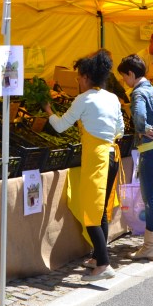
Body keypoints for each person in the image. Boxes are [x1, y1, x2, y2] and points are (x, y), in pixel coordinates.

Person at [45, 50, 123, 281]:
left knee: (90, 211)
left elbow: (60, 126)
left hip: (97, 160)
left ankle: (104, 265)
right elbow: (120, 130)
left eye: (79, 77)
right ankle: (99, 256)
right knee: (101, 212)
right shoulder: (112, 98)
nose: (78, 80)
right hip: (112, 156)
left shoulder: (83, 99)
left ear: (87, 77)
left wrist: (49, 111)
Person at [117, 54, 153, 261]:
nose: (124, 81)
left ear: (131, 74)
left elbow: (139, 116)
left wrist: (142, 128)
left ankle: (149, 247)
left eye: (124, 77)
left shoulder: (139, 92)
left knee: (151, 201)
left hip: (151, 150)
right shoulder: (152, 89)